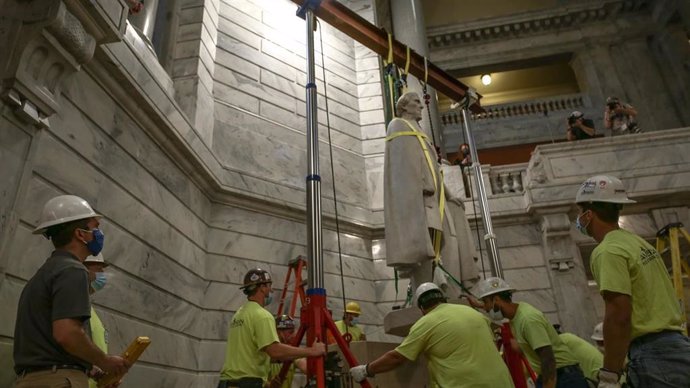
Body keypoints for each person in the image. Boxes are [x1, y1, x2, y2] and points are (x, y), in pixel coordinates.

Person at [574, 175, 690, 387]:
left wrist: (610, 374)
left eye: (580, 212)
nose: (579, 218)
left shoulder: (607, 251)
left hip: (654, 356)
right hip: (678, 347)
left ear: (589, 214)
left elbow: (618, 314)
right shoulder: (637, 242)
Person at [13, 195, 129, 388]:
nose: (99, 234)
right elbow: (67, 334)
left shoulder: (42, 276)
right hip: (58, 381)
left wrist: (91, 370)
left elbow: (46, 344)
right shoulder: (72, 270)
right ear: (80, 234)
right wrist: (105, 361)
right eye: (95, 228)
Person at [349, 283, 515, 388]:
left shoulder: (426, 323)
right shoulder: (474, 313)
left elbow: (398, 358)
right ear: (443, 299)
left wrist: (366, 369)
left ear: (421, 308)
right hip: (503, 382)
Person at [218, 268, 326, 388]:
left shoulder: (238, 315)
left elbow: (248, 354)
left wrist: (268, 385)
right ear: (263, 287)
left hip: (227, 383)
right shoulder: (262, 315)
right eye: (269, 286)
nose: (271, 290)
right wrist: (312, 351)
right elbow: (274, 351)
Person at [473, 277, 588, 388]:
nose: (487, 309)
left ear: (496, 300)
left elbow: (548, 358)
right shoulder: (517, 314)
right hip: (552, 375)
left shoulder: (528, 319)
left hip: (563, 378)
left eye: (486, 302)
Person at [83, 253, 117, 388]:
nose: (102, 274)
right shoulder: (74, 305)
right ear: (83, 269)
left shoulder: (88, 309)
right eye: (98, 268)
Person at [267, 315, 307, 388]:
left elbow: (304, 367)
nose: (294, 335)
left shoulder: (291, 352)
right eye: (290, 332)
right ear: (278, 332)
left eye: (294, 331)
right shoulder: (267, 351)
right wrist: (268, 385)